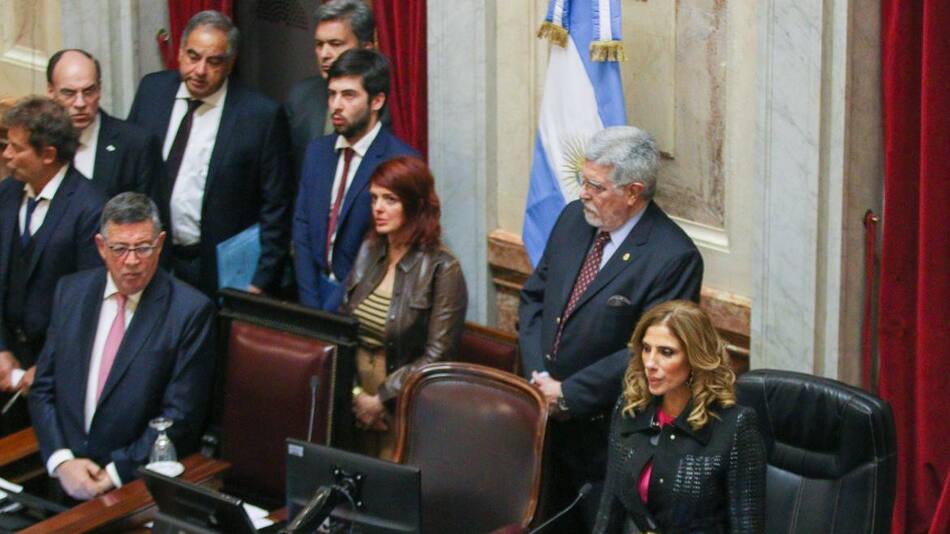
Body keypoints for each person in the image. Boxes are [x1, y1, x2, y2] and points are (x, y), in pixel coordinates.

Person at [518, 125, 704, 530]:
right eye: (584, 181)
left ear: (633, 192)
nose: (583, 193)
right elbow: (534, 297)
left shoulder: (673, 257)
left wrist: (568, 393)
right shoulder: (572, 219)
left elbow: (650, 353)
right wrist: (538, 376)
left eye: (596, 186)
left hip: (606, 438)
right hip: (542, 420)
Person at [29, 192, 216, 501]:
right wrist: (62, 460)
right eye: (119, 249)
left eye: (143, 248)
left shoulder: (190, 312)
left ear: (160, 244)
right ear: (101, 247)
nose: (131, 261)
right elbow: (43, 387)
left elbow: (180, 417)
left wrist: (115, 473)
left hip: (135, 486)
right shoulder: (71, 292)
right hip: (66, 480)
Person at [127, 10, 291, 298]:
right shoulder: (152, 91)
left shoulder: (260, 116)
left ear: (230, 63)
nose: (200, 70)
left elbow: (276, 208)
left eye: (213, 61)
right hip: (153, 260)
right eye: (193, 56)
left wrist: (261, 280)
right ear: (179, 53)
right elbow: (130, 172)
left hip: (218, 271)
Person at [593, 300, 766, 533]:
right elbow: (610, 507)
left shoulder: (735, 427)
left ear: (696, 358)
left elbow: (747, 526)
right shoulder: (631, 407)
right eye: (646, 348)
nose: (651, 363)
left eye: (666, 352)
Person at [342, 156, 467, 459]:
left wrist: (380, 398)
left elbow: (438, 355)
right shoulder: (370, 249)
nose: (378, 209)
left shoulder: (442, 268)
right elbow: (343, 324)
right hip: (353, 393)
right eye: (374, 199)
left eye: (390, 199)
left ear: (416, 205)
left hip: (403, 400)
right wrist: (358, 395)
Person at [0, 97, 103, 432]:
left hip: (58, 372)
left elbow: (87, 305)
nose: (6, 155)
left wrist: (45, 367)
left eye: (16, 148)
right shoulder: (8, 194)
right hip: (7, 360)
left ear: (47, 154)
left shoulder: (89, 209)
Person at [293, 48, 417, 312]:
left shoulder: (400, 162)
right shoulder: (317, 152)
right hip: (312, 295)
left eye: (349, 95)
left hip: (365, 301)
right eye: (332, 94)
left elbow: (383, 251)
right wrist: (310, 305)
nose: (336, 105)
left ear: (376, 101)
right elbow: (302, 229)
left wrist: (330, 310)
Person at [46, 49, 163, 198]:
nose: (80, 103)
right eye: (69, 93)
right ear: (51, 92)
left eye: (89, 91)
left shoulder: (137, 146)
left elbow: (151, 214)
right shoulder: (39, 141)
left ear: (99, 89)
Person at [285, 0, 376, 176]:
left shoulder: (386, 101)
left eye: (335, 44)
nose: (325, 54)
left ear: (366, 49)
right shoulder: (301, 97)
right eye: (319, 44)